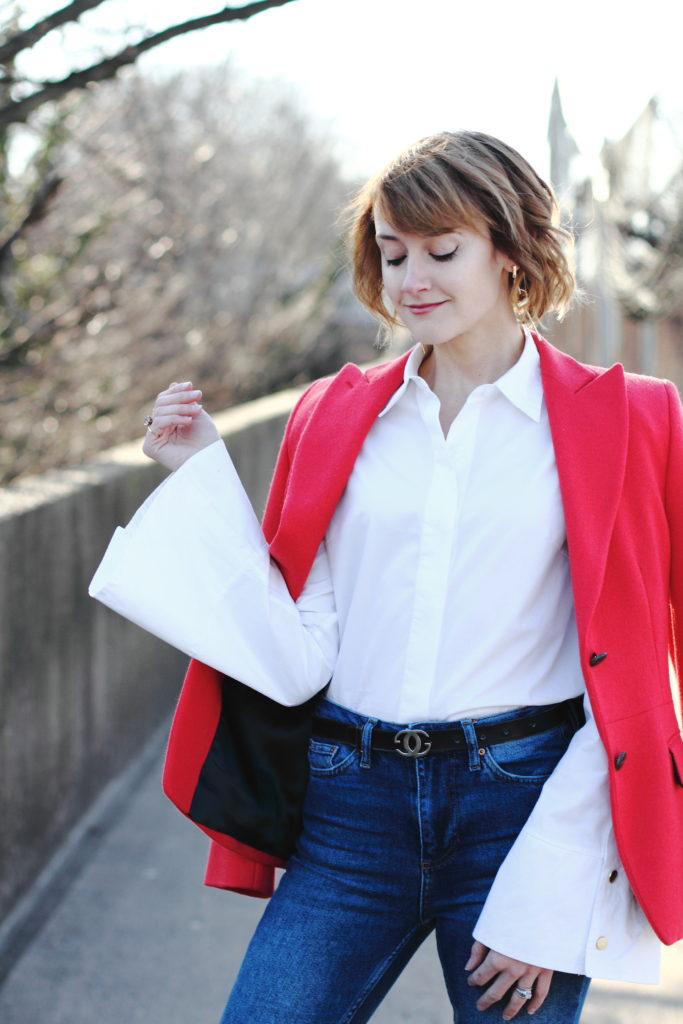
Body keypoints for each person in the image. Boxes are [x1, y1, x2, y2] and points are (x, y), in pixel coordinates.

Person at [89, 130, 683, 1024]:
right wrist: (203, 478)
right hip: (348, 810)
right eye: (393, 252)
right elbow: (295, 655)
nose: (412, 280)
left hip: (519, 815)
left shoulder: (632, 419)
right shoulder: (333, 411)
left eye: (442, 251)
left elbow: (628, 678)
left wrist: (554, 893)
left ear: (512, 252)